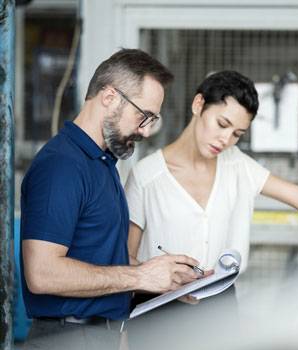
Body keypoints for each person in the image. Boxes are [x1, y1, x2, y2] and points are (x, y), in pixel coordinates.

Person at [20, 48, 202, 328]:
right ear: (109, 97)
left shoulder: (102, 164)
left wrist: (165, 278)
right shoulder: (62, 166)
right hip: (66, 341)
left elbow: (99, 261)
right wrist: (140, 277)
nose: (145, 131)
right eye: (144, 116)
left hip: (96, 335)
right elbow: (42, 274)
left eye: (152, 120)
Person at [125, 70, 298, 272]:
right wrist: (163, 281)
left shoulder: (237, 165)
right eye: (222, 124)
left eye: (237, 134)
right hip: (157, 307)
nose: (226, 139)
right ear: (198, 105)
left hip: (220, 303)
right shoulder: (146, 176)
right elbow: (126, 260)